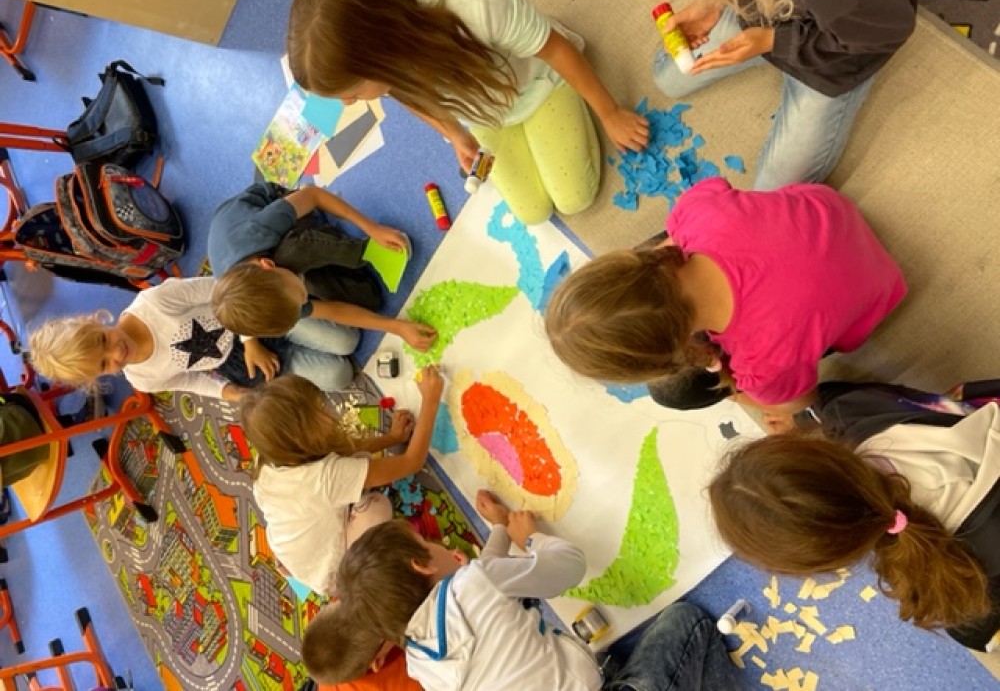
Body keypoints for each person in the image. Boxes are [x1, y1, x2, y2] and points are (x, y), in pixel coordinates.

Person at [287, 0, 649, 225]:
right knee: (533, 213)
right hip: (485, 108)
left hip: (538, 84)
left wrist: (610, 112)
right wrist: (455, 134)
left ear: (378, 57)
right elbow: (407, 95)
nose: (350, 103)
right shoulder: (388, 65)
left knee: (574, 198)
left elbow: (555, 49)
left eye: (351, 93)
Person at [544, 176, 906, 429]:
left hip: (875, 290)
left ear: (675, 353)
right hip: (828, 211)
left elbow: (802, 400)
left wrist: (744, 396)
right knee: (673, 239)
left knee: (675, 394)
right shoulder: (696, 211)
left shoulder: (761, 368)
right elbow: (707, 197)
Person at [302, 489, 740, 690]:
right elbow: (569, 565)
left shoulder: (420, 664)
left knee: (613, 653)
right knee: (687, 622)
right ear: (422, 564)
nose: (438, 544)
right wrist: (531, 538)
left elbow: (482, 577)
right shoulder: (476, 583)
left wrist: (498, 529)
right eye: (425, 543)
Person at [709, 377, 1000, 650]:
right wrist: (799, 419)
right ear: (813, 447)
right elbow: (821, 400)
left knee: (970, 629)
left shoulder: (941, 563)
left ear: (835, 559)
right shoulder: (849, 410)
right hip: (983, 430)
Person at [603, 0, 917, 190]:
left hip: (834, 55)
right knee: (667, 78)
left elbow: (889, 31)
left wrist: (773, 41)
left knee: (770, 192)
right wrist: (715, 0)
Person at [241, 367, 444, 595]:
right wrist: (431, 400)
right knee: (376, 506)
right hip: (330, 572)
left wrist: (391, 438)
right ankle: (346, 579)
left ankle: (303, 563)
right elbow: (411, 462)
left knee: (351, 467)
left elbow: (344, 452)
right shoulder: (325, 479)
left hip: (290, 547)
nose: (327, 408)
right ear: (303, 436)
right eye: (318, 410)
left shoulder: (270, 457)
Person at [208, 182, 430, 390]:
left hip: (270, 208)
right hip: (259, 259)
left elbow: (313, 194)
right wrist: (396, 327)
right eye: (302, 301)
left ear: (268, 265)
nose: (305, 300)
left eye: (300, 293)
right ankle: (313, 267)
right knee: (369, 299)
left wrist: (372, 229)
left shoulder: (259, 230)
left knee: (295, 251)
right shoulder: (272, 300)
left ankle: (362, 250)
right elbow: (333, 310)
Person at [26, 277, 350, 402]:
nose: (116, 353)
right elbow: (190, 381)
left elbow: (222, 289)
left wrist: (251, 339)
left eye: (102, 341)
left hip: (253, 318)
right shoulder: (142, 379)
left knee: (346, 340)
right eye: (103, 365)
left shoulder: (154, 302)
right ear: (96, 378)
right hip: (238, 365)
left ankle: (301, 286)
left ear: (93, 321)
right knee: (339, 375)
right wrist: (227, 393)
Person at [211, 258, 436, 389]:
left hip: (258, 324)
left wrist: (397, 327)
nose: (304, 298)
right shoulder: (278, 312)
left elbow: (334, 311)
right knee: (339, 375)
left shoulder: (264, 295)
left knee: (348, 340)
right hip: (252, 359)